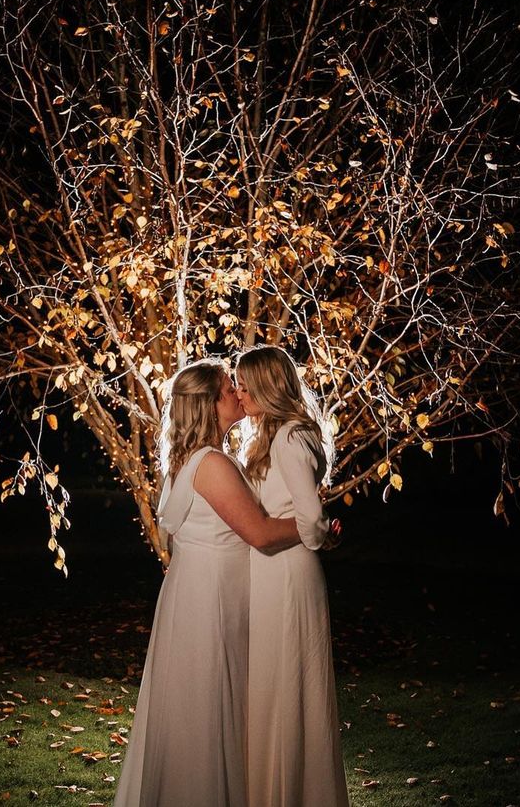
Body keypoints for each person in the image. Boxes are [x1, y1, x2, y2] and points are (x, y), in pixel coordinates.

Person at [113, 357, 303, 807]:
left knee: (199, 706)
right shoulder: (213, 464)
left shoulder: (193, 459)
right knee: (209, 707)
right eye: (228, 388)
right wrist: (313, 525)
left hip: (197, 593)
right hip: (212, 601)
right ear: (209, 405)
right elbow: (259, 532)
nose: (238, 393)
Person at [234, 344, 350, 807]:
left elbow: (311, 518)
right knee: (271, 686)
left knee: (289, 687)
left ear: (267, 386)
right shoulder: (273, 435)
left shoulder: (288, 438)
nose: (239, 394)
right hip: (271, 570)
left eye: (245, 386)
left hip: (287, 573)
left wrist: (322, 536)